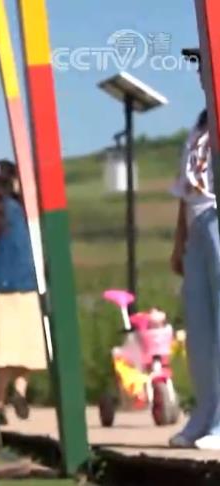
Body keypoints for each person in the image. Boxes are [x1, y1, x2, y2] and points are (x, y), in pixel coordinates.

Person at [169, 51, 220, 448]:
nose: (203, 72)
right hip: (196, 225)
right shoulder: (199, 124)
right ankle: (204, 414)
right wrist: (179, 239)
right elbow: (187, 189)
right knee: (200, 330)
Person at [0, 159, 48, 425]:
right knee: (28, 349)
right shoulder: (25, 212)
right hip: (27, 284)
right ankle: (20, 391)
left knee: (3, 354)